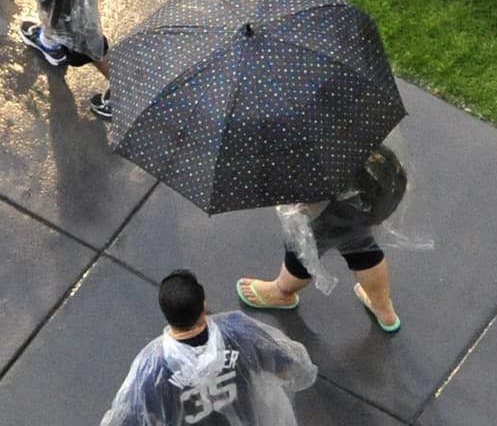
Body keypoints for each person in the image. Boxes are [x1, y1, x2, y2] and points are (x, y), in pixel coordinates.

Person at [101, 270, 317, 426]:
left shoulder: (151, 367)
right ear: (203, 303)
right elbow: (288, 369)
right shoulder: (239, 330)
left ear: (166, 314)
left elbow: (127, 419)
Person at [235, 147, 407, 332]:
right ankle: (383, 308)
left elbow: (311, 200)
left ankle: (281, 292)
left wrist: (299, 203)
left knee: (303, 250)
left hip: (335, 210)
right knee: (361, 246)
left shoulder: (311, 157)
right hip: (375, 189)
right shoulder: (346, 129)